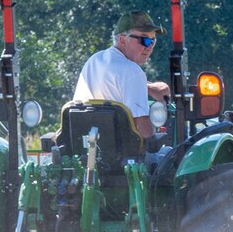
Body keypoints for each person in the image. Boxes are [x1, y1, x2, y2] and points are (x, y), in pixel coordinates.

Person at [73, 10, 172, 143]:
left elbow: (113, 84)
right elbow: (144, 130)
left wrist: (147, 87)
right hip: (122, 151)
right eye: (145, 40)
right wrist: (157, 138)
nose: (149, 47)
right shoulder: (132, 71)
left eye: (153, 41)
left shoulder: (94, 60)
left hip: (84, 146)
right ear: (122, 40)